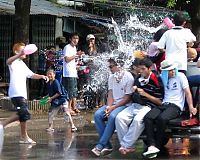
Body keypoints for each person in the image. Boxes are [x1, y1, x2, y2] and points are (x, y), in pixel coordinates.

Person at [143, 59, 197, 158]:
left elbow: (187, 93)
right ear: (164, 72)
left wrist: (191, 107)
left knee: (162, 118)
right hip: (164, 103)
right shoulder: (163, 78)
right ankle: (151, 145)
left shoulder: (181, 76)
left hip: (176, 106)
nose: (172, 72)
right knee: (148, 117)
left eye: (173, 70)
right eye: (169, 70)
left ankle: (157, 145)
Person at [0, 43, 49, 144]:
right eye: (22, 50)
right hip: (16, 93)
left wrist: (42, 76)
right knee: (24, 113)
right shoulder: (13, 62)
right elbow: (8, 61)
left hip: (22, 93)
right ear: (16, 52)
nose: (25, 52)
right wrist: (18, 55)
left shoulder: (22, 64)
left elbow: (31, 75)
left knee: (23, 114)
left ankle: (22, 136)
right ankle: (3, 125)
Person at [115, 58, 164, 155]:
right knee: (119, 118)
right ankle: (128, 146)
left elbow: (159, 101)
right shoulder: (138, 78)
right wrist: (134, 91)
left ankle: (125, 145)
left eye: (143, 69)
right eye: (139, 69)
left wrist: (145, 94)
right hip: (136, 105)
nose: (140, 71)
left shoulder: (157, 79)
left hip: (148, 106)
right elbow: (133, 96)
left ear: (149, 68)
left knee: (138, 120)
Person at [91, 58, 134, 157]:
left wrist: (113, 108)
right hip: (113, 104)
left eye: (111, 66)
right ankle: (107, 145)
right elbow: (110, 93)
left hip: (124, 105)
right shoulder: (112, 77)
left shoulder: (128, 77)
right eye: (109, 66)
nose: (109, 68)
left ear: (118, 66)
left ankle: (100, 145)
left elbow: (127, 98)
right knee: (97, 115)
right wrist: (108, 106)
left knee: (113, 116)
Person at [62, 32, 83, 116]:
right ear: (70, 39)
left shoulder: (74, 48)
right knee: (69, 92)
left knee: (74, 91)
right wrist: (76, 55)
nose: (76, 40)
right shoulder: (67, 47)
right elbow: (67, 59)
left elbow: (72, 61)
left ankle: (73, 107)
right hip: (68, 73)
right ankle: (69, 108)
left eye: (77, 38)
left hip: (73, 72)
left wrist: (77, 65)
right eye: (74, 38)